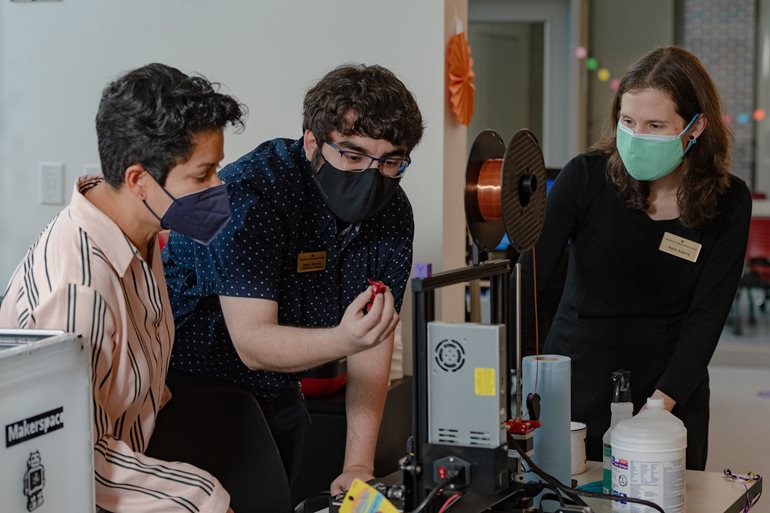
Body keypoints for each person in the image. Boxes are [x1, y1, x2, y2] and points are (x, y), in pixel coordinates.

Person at [162, 63, 424, 494]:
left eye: (391, 161)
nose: (371, 175)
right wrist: (347, 339)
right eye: (353, 155)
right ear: (312, 142)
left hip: (281, 390)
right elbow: (253, 343)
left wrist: (357, 465)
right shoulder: (250, 194)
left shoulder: (393, 212)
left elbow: (372, 337)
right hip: (193, 389)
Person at [0, 63, 245, 512]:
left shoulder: (140, 233)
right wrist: (200, 498)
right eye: (202, 174)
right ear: (138, 181)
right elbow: (74, 457)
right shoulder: (79, 287)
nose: (218, 187)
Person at [519, 46, 751, 470]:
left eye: (655, 125)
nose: (636, 136)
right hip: (577, 380)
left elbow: (707, 315)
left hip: (671, 386)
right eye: (628, 121)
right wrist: (522, 380)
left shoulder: (729, 201)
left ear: (695, 127)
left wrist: (659, 409)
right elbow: (528, 279)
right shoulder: (584, 177)